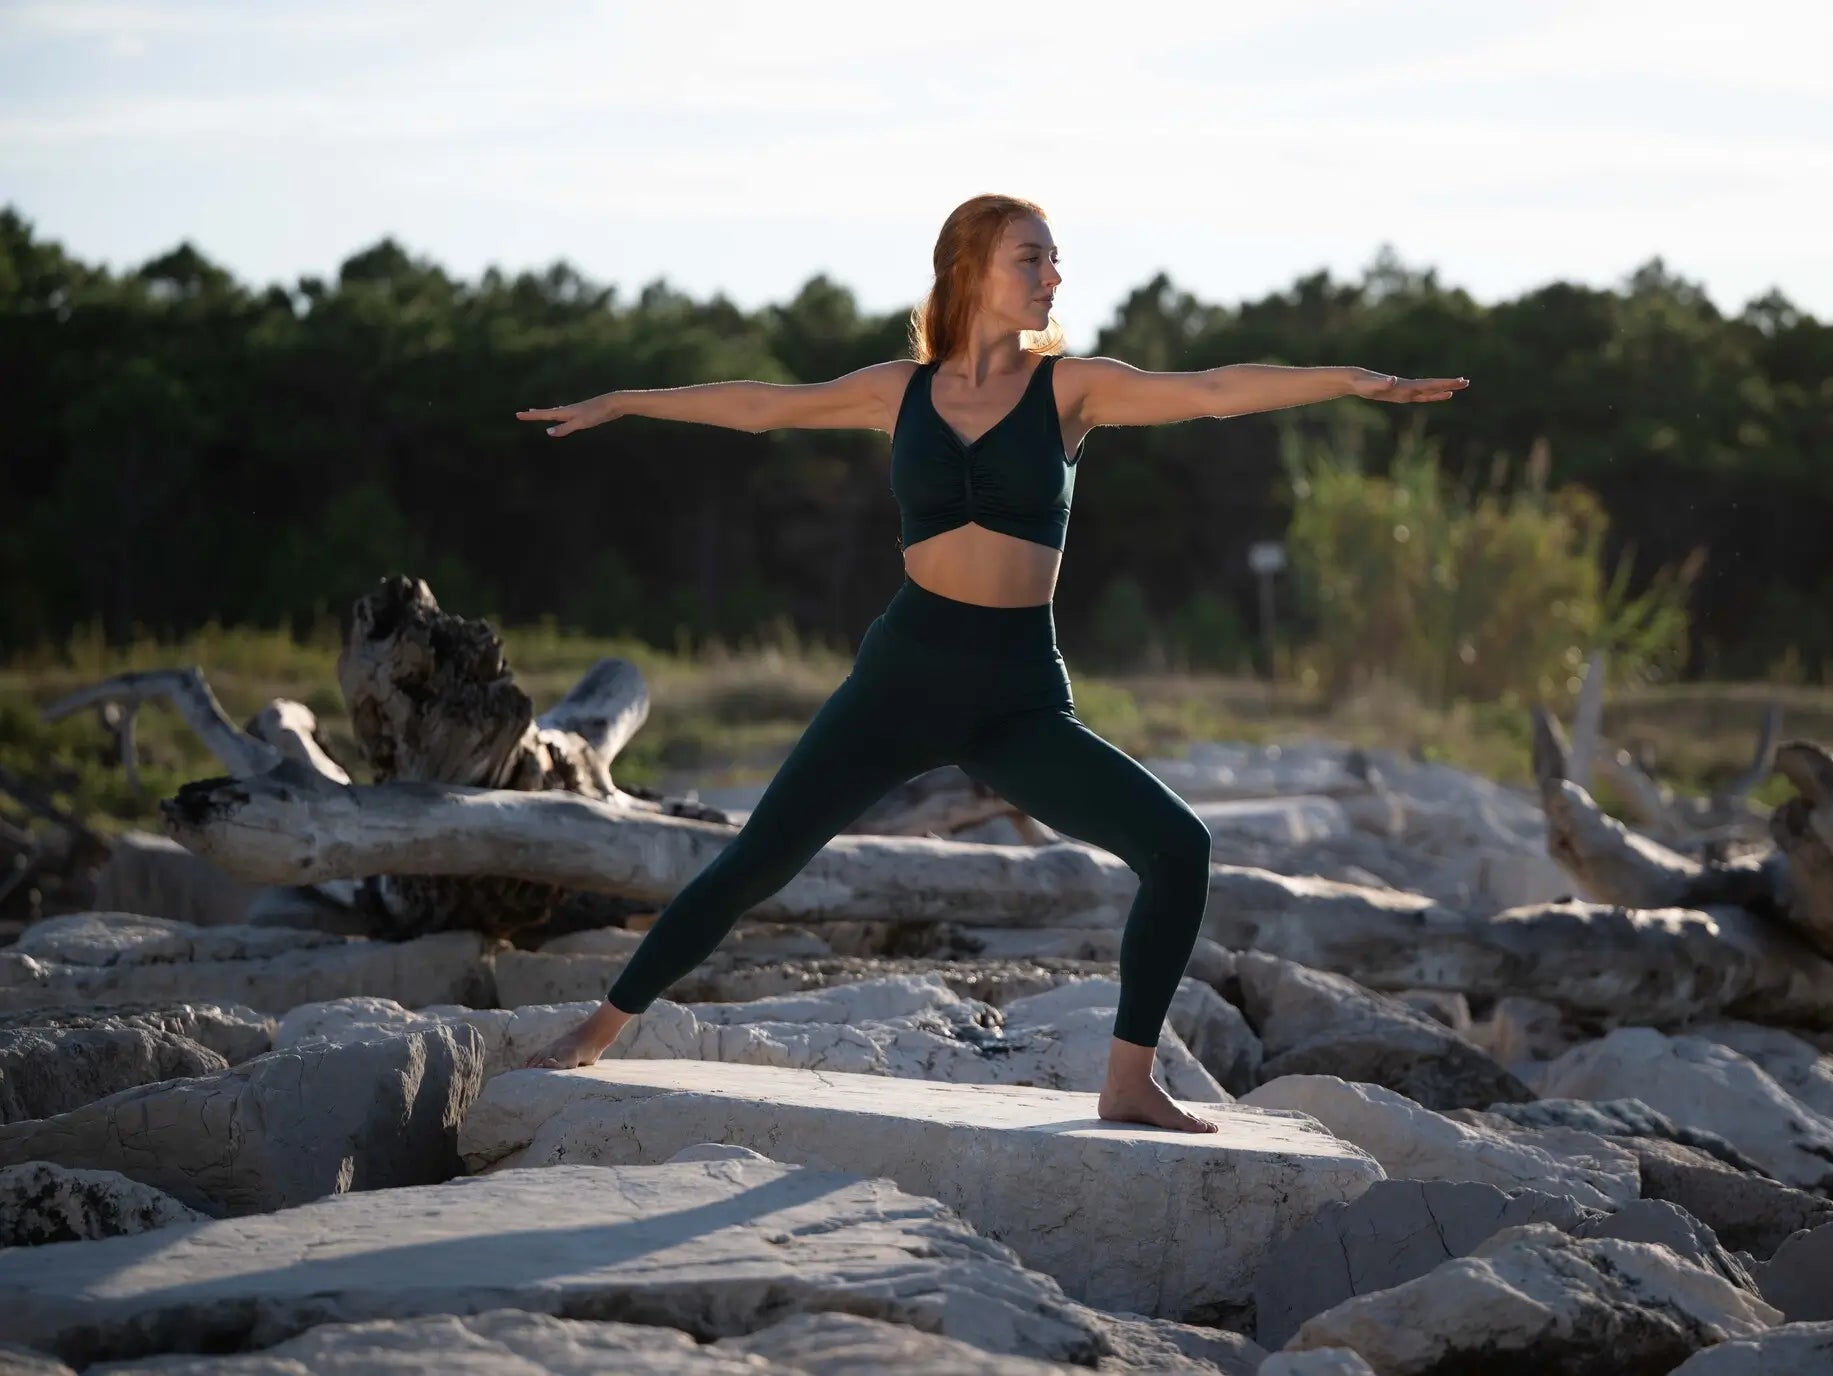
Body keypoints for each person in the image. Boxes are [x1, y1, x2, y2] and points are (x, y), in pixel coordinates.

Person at [513, 192, 1468, 1132]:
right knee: (756, 861)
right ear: (971, 268)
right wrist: (626, 401)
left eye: (1054, 260)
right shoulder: (902, 390)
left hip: (1014, 694)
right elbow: (764, 406)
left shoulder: (1072, 389)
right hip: (905, 673)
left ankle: (1128, 1083)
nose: (1055, 275)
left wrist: (1349, 380)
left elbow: (1214, 392)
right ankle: (599, 1029)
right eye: (1033, 258)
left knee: (1179, 849)